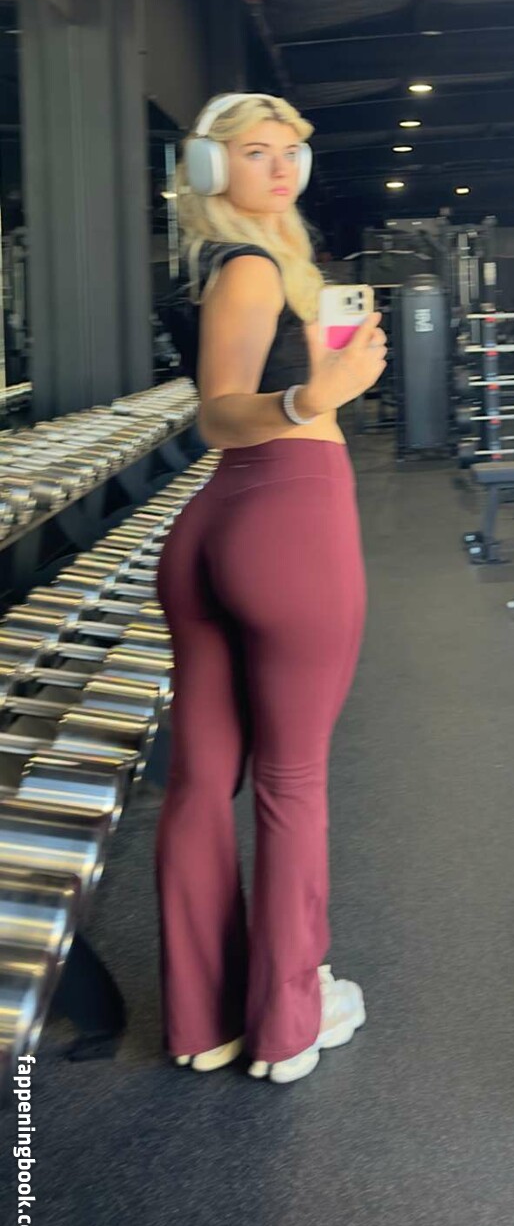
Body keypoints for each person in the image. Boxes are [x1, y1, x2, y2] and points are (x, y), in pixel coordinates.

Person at [153, 91, 387, 1084]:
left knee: (203, 781)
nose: (282, 167)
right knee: (291, 785)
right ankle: (289, 1022)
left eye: (290, 150)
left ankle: (202, 1019)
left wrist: (324, 379)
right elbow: (219, 414)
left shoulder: (246, 263)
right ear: (214, 169)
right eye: (256, 151)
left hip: (217, 530)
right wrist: (313, 396)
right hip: (287, 522)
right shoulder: (249, 267)